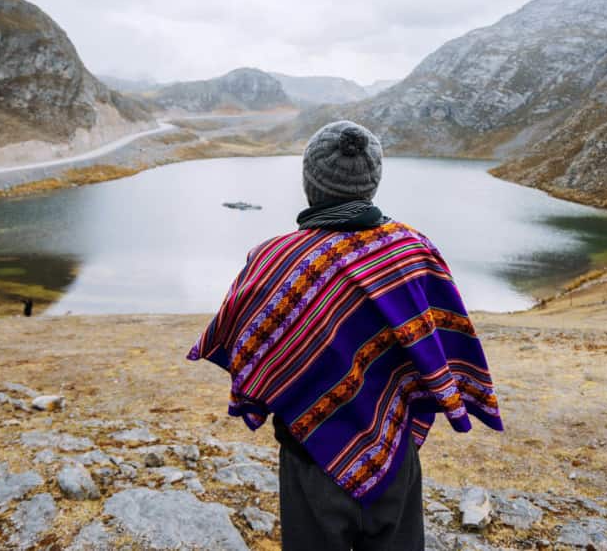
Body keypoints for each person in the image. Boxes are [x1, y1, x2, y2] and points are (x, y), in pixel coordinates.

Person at [188, 120, 503, 551]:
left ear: (309, 183)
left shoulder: (273, 259)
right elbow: (446, 344)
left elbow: (242, 341)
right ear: (373, 182)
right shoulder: (412, 252)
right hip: (394, 454)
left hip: (308, 461)